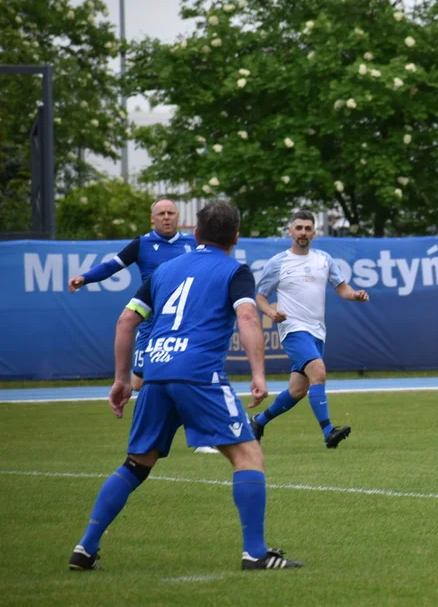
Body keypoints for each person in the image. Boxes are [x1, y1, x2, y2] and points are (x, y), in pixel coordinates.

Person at [68, 200, 303, 572]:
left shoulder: (164, 271)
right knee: (247, 456)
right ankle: (255, 553)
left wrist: (121, 380)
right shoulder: (235, 270)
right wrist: (259, 373)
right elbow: (246, 314)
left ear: (195, 233)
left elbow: (126, 322)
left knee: (136, 463)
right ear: (236, 237)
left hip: (156, 374)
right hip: (199, 376)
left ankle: (85, 547)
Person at [251, 210, 370, 448]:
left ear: (314, 233)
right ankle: (328, 432)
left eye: (307, 229)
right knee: (319, 372)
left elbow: (342, 288)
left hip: (317, 331)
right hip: (293, 330)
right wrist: (272, 313)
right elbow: (260, 297)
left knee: (297, 390)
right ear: (290, 231)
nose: (303, 232)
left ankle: (258, 422)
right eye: (299, 228)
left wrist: (355, 295)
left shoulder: (324, 259)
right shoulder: (278, 262)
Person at [68, 198, 197, 393]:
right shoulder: (142, 244)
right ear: (152, 219)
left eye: (170, 213)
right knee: (137, 383)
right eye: (161, 214)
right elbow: (111, 266)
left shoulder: (194, 244)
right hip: (150, 322)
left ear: (178, 216)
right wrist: (85, 278)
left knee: (184, 377)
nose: (166, 218)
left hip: (183, 323)